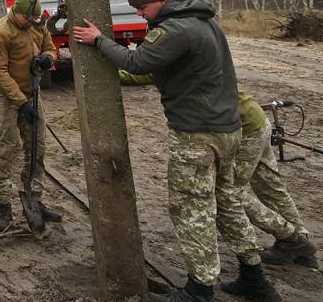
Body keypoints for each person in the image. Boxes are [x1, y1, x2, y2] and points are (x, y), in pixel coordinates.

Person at [73, 0, 278, 302]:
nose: (140, 14)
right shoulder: (203, 19)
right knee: (227, 201)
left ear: (160, 0)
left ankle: (200, 296)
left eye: (142, 7)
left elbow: (137, 62)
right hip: (228, 129)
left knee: (191, 208)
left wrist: (99, 41)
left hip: (197, 134)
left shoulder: (176, 29)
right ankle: (254, 277)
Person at [121, 72, 318, 269]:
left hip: (241, 129)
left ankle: (290, 237)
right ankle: (303, 247)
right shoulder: (207, 55)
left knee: (229, 192)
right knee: (271, 187)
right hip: (254, 118)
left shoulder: (177, 56)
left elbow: (139, 73)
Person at [0, 0, 61, 231]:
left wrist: (47, 59)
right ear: (16, 12)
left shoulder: (37, 24)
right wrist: (21, 103)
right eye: (27, 19)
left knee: (37, 149)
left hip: (32, 94)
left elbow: (50, 49)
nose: (31, 23)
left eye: (34, 20)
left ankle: (34, 200)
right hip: (4, 98)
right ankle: (3, 205)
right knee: (5, 150)